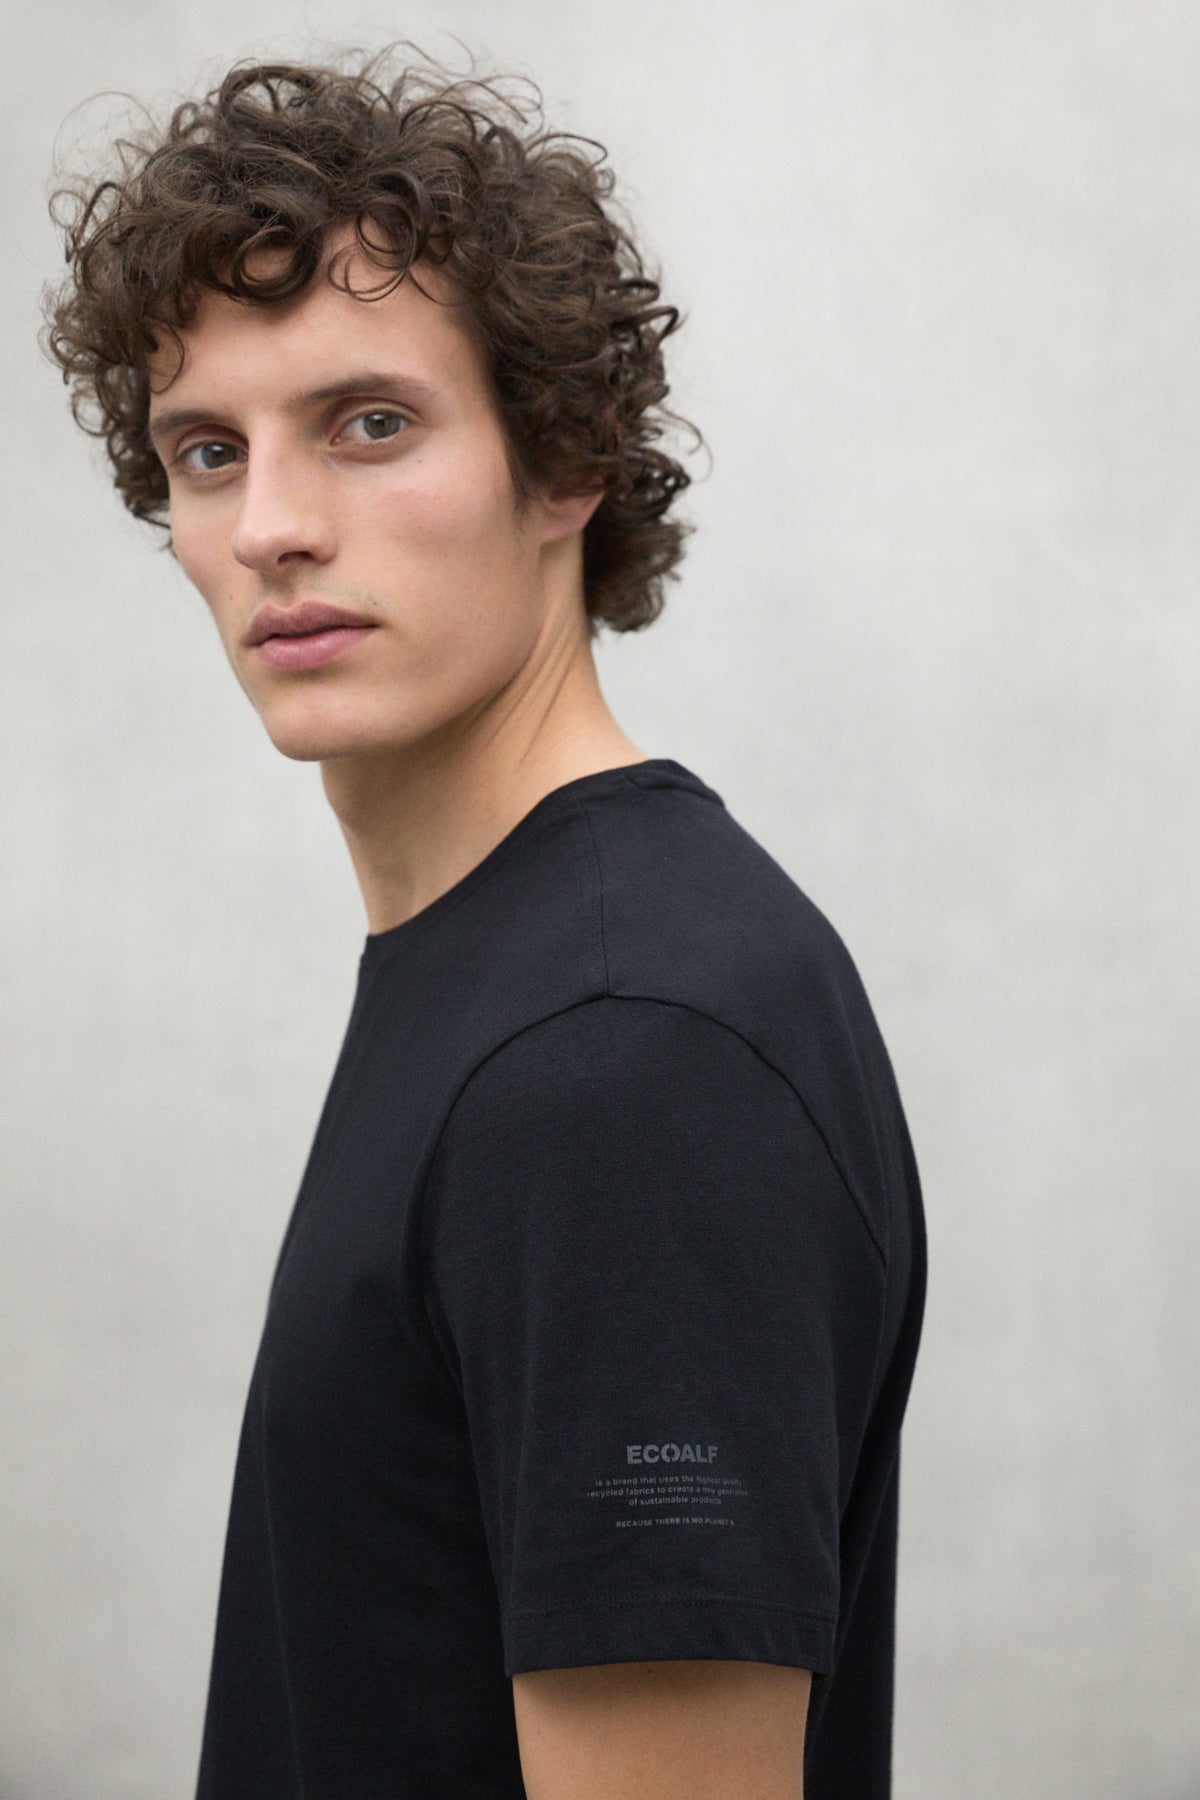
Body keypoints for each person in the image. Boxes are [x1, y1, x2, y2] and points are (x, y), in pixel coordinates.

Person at [43, 46, 927, 1800]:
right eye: (207, 451)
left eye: (370, 424)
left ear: (568, 460)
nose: (270, 528)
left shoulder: (624, 1060)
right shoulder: (523, 975)